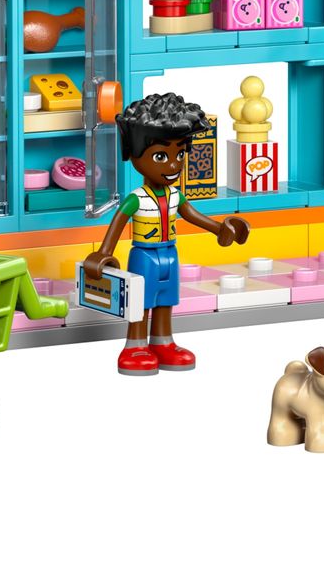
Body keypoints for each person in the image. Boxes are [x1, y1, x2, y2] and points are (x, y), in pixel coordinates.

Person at [83, 93, 250, 375]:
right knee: (140, 301)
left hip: (170, 254)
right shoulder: (136, 198)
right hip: (144, 256)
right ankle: (135, 345)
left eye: (180, 154)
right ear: (132, 153)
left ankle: (163, 342)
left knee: (165, 300)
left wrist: (220, 229)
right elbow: (118, 224)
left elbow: (192, 215)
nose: (173, 165)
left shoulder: (175, 195)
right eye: (161, 156)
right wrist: (103, 253)